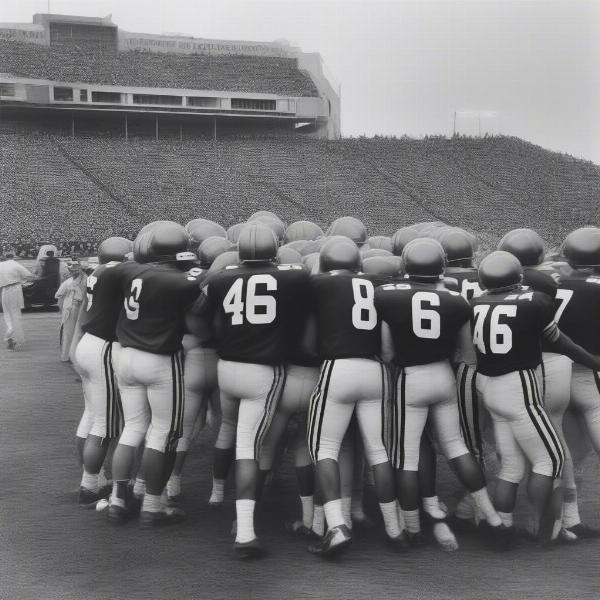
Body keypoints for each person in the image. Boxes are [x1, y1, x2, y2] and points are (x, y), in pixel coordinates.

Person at [375, 238, 508, 549]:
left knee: (407, 458)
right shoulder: (457, 300)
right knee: (456, 447)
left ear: (406, 265)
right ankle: (494, 519)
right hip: (444, 376)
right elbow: (467, 353)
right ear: (441, 266)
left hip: (411, 378)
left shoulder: (386, 296)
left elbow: (386, 351)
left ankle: (412, 528)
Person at [193, 222, 309, 558]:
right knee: (249, 449)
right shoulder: (295, 275)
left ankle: (217, 493)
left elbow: (197, 316)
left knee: (227, 431)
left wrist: (216, 336)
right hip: (262, 371)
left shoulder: (218, 278)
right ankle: (244, 531)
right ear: (275, 249)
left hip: (226, 368)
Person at [472, 250, 600, 543]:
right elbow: (560, 341)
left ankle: (502, 529)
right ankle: (545, 528)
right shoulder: (536, 302)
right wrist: (594, 363)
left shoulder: (476, 303)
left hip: (489, 387)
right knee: (552, 460)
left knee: (512, 466)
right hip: (519, 389)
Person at [306, 237, 403, 556]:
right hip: (376, 370)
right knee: (378, 451)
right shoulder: (382, 283)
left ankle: (336, 526)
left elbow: (308, 345)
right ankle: (395, 529)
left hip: (339, 368)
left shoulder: (317, 283)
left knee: (324, 448)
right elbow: (389, 345)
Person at [108, 223, 200, 528]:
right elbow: (198, 308)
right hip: (159, 358)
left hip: (126, 355)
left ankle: (118, 498)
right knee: (163, 433)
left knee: (132, 428)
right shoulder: (180, 280)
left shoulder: (129, 271)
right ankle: (152, 505)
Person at [74, 237, 133, 506]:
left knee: (91, 415)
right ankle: (89, 484)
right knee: (105, 424)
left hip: (89, 343)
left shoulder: (98, 271)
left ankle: (91, 479)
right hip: (105, 347)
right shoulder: (118, 271)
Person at [0, 250, 35, 350]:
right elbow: (30, 277)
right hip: (15, 290)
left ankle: (10, 337)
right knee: (15, 314)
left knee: (7, 314)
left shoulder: (1, 265)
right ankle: (11, 336)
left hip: (4, 290)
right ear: (13, 257)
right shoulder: (15, 264)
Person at [55, 261, 87, 362]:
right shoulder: (87, 280)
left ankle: (67, 355)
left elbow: (58, 295)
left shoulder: (68, 282)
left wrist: (67, 294)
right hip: (82, 309)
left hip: (71, 308)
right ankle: (76, 356)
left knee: (68, 333)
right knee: (79, 333)